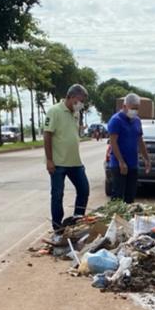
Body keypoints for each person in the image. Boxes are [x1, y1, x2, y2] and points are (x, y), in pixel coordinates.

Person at [43, 84, 91, 231]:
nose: (80, 104)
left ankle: (77, 220)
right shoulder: (55, 111)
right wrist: (49, 160)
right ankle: (58, 228)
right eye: (79, 100)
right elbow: (47, 135)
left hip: (75, 162)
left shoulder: (76, 113)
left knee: (84, 190)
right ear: (70, 97)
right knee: (57, 195)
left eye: (82, 101)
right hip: (58, 163)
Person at [106, 93, 150, 204]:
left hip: (133, 164)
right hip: (118, 164)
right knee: (118, 196)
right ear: (125, 106)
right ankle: (115, 219)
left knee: (130, 197)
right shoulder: (116, 120)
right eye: (132, 108)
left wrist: (146, 159)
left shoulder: (137, 121)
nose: (135, 111)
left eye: (137, 108)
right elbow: (113, 143)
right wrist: (121, 162)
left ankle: (127, 220)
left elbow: (140, 141)